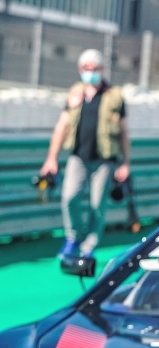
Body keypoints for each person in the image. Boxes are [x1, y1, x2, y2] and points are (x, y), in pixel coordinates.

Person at [40, 49, 130, 259]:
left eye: (95, 68)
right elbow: (62, 126)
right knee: (69, 197)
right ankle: (73, 237)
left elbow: (124, 132)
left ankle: (89, 246)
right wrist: (51, 158)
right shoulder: (75, 93)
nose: (91, 72)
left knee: (97, 204)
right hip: (78, 156)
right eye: (86, 68)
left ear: (102, 69)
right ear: (80, 69)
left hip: (105, 160)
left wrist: (125, 163)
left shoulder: (114, 96)